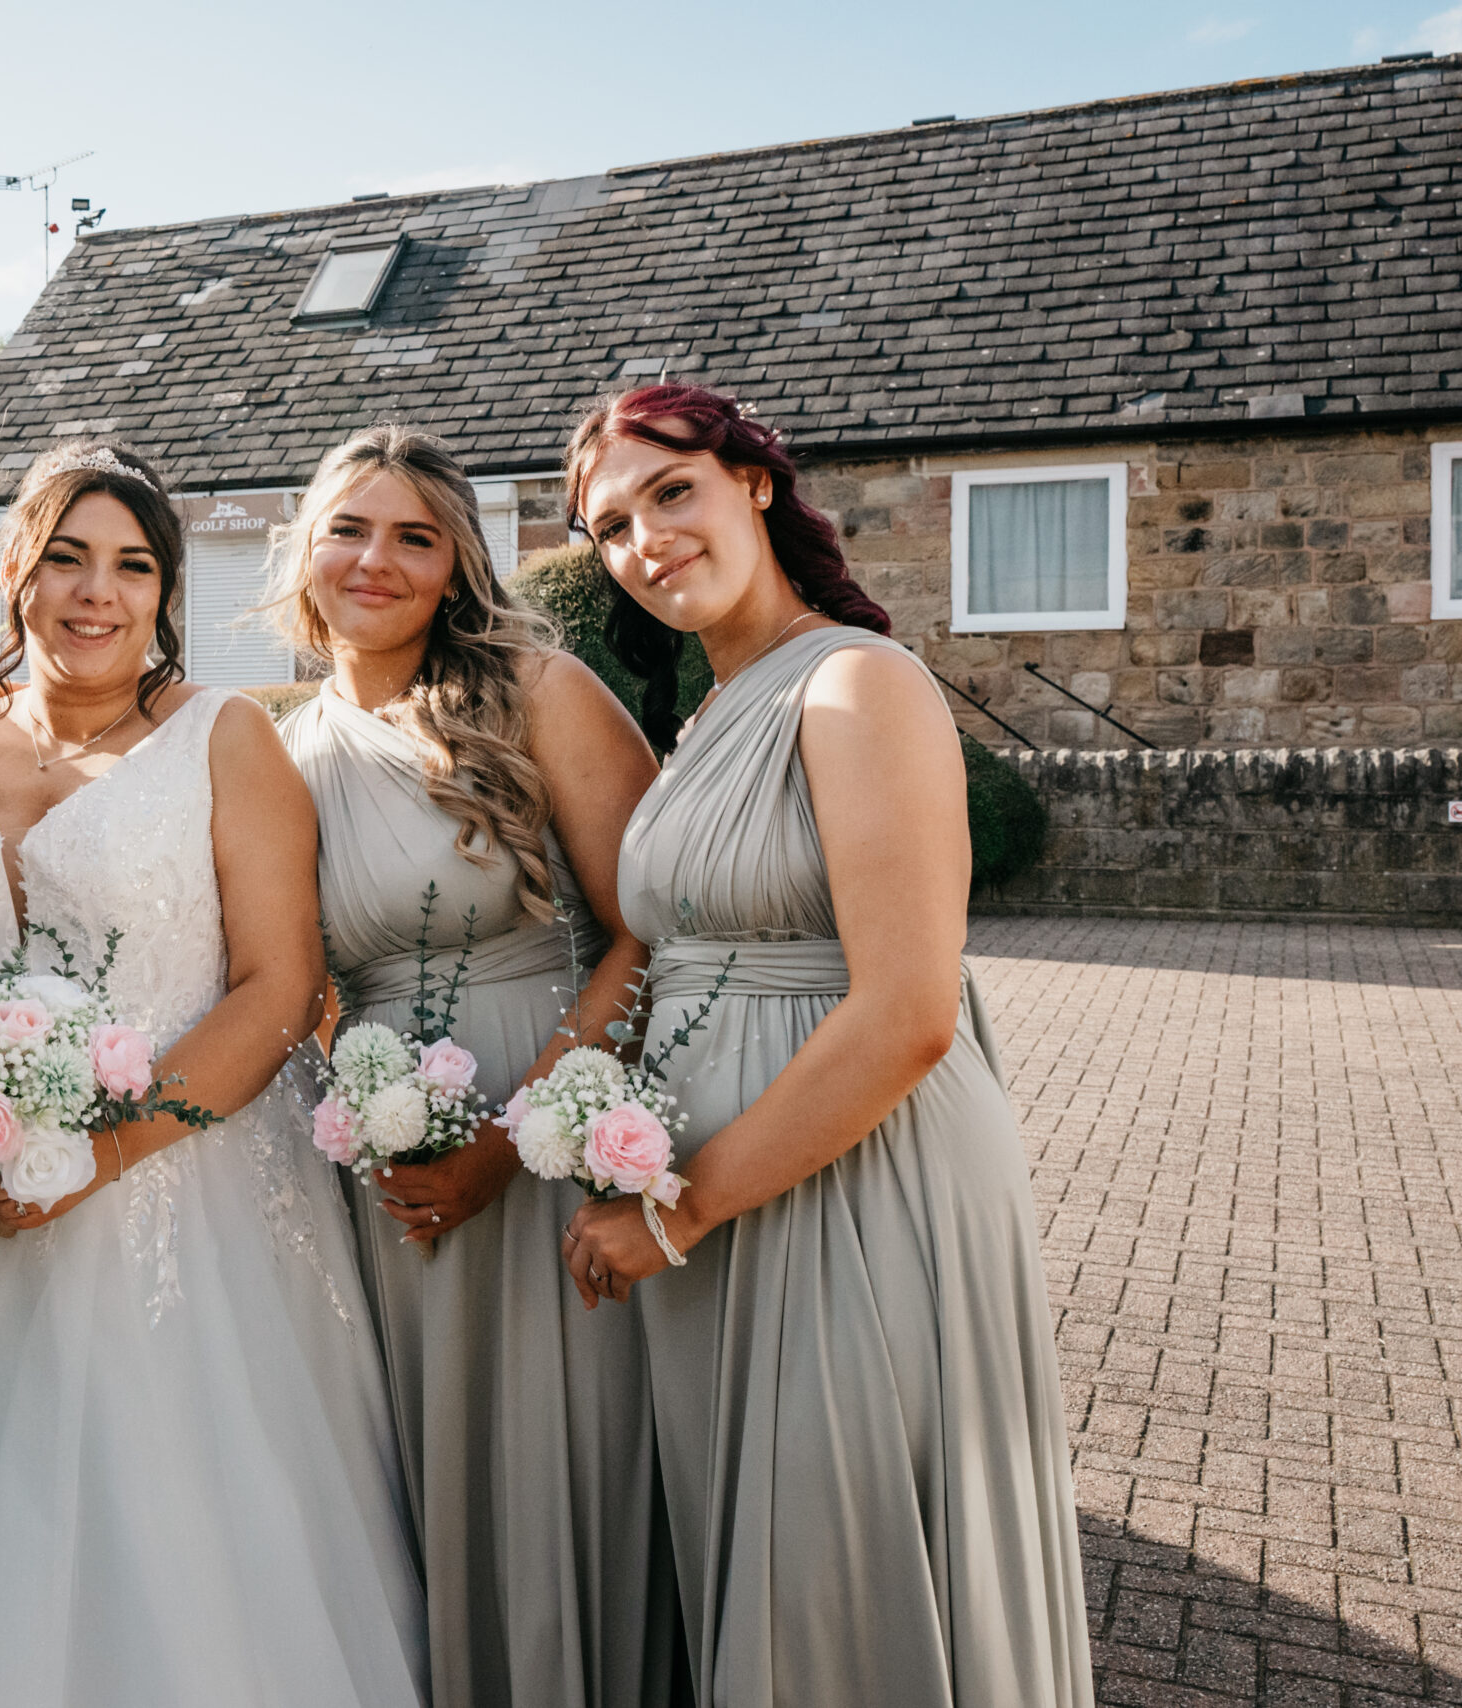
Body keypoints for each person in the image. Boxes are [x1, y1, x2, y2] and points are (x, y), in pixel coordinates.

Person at [561, 383, 1094, 1708]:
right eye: (611, 527)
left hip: (850, 1179)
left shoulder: (857, 685)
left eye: (669, 491)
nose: (644, 541)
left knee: (836, 1564)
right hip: (730, 1185)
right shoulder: (706, 718)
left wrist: (677, 1210)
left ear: (752, 481)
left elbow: (909, 1012)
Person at [0, 440, 427, 1706]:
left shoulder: (223, 737)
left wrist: (101, 1155)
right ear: (13, 569)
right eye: (67, 558)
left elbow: (278, 987)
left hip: (189, 1193)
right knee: (10, 1529)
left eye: (133, 567)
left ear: (164, 594)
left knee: (193, 1534)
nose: (98, 593)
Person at [270, 424, 678, 1707]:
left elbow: (644, 932)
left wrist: (512, 1140)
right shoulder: (283, 749)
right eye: (349, 528)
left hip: (550, 1116)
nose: (375, 560)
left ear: (456, 565)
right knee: (428, 1458)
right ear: (305, 549)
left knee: (564, 1451)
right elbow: (299, 982)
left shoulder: (534, 688)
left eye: (414, 535)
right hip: (389, 1152)